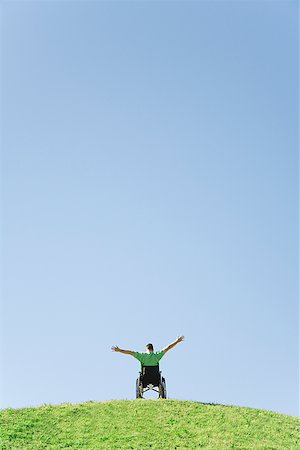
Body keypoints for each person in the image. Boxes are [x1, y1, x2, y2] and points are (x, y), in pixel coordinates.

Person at [111, 336, 185, 367]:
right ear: (153, 349)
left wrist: (119, 350)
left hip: (145, 376)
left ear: (146, 349)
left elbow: (130, 352)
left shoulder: (142, 355)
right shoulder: (157, 355)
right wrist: (177, 341)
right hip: (155, 376)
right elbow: (168, 347)